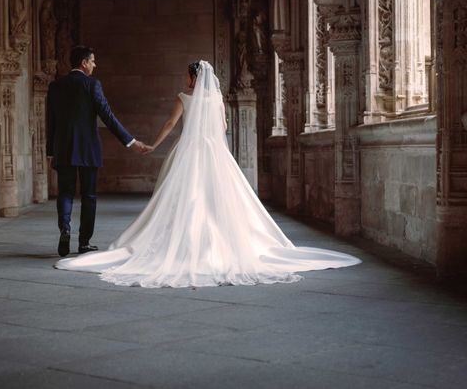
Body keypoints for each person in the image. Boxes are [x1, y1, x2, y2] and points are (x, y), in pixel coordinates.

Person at [55, 60, 360, 287]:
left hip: (189, 152)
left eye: (186, 75)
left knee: (184, 196)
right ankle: (220, 242)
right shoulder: (217, 100)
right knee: (221, 198)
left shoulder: (183, 98)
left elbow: (170, 126)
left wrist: (153, 146)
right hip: (215, 153)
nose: (184, 79)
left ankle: (184, 242)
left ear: (192, 78)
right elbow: (224, 129)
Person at [46, 45, 148, 257]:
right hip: (87, 149)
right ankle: (84, 242)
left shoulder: (56, 86)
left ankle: (65, 229)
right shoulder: (92, 85)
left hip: (63, 148)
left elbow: (51, 122)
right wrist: (130, 141)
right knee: (89, 196)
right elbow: (108, 116)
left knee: (65, 193)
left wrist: (50, 151)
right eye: (92, 61)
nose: (95, 65)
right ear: (83, 63)